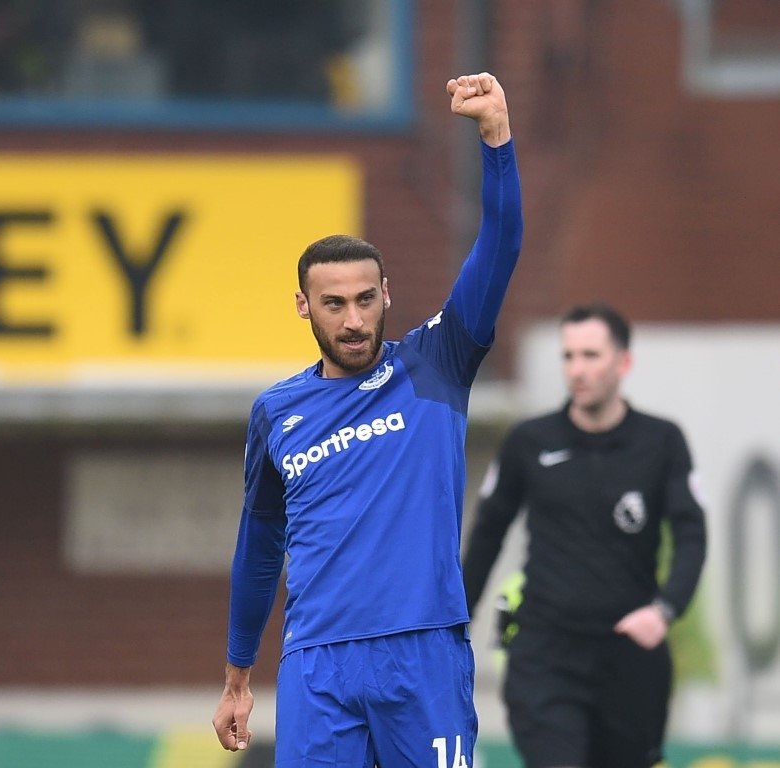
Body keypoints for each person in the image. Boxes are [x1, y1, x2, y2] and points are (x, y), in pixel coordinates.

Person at [212, 72, 521, 767]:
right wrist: (237, 677)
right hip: (318, 665)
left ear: (385, 293)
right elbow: (259, 548)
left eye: (364, 299)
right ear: (302, 306)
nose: (353, 320)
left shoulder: (436, 363)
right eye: (333, 304)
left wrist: (496, 137)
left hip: (423, 654)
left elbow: (499, 247)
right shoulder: (277, 412)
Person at [462, 303, 707, 768]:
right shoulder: (530, 442)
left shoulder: (662, 442)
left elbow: (692, 535)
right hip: (544, 654)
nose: (577, 369)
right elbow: (488, 535)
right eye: (568, 356)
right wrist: (453, 629)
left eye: (591, 355)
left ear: (623, 362)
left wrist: (665, 610)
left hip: (629, 659)